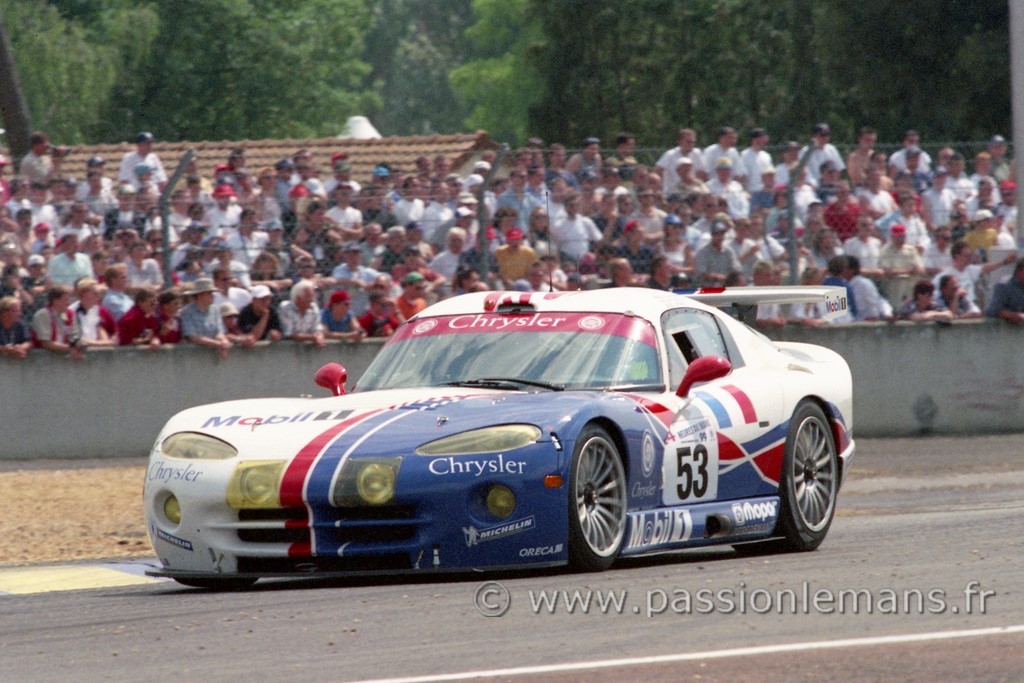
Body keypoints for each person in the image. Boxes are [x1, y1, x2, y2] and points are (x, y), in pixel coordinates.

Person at [180, 278, 232, 359]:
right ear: (200, 295)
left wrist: (223, 341)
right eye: (209, 293)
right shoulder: (187, 312)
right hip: (193, 357)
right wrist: (218, 344)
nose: (213, 295)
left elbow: (219, 332)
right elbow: (193, 337)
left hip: (211, 357)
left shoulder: (215, 309)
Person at [32, 285, 84, 359]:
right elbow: (46, 343)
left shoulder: (70, 314)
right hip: (43, 359)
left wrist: (78, 345)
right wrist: (70, 349)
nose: (68, 303)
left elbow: (74, 336)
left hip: (63, 357)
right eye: (65, 300)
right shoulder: (43, 315)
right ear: (55, 301)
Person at [68, 278, 116, 347]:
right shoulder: (71, 312)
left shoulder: (99, 310)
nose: (98, 297)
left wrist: (107, 342)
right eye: (95, 294)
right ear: (84, 294)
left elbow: (110, 332)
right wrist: (102, 343)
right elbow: (77, 339)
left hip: (95, 351)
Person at [693, 219, 740, 286]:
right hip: (706, 289)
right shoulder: (703, 252)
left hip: (725, 288)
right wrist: (720, 277)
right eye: (717, 234)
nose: (720, 237)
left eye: (722, 234)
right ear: (712, 235)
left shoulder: (728, 251)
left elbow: (736, 269)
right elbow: (701, 274)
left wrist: (730, 277)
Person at [278, 279, 325, 347]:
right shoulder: (285, 308)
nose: (312, 301)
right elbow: (289, 334)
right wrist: (313, 338)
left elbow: (317, 328)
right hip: (287, 351)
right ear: (298, 298)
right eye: (309, 298)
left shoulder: (314, 307)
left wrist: (320, 335)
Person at [986, 258, 1024, 324]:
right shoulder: (1004, 285)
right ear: (1019, 272)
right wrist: (1016, 315)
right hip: (1006, 331)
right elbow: (994, 310)